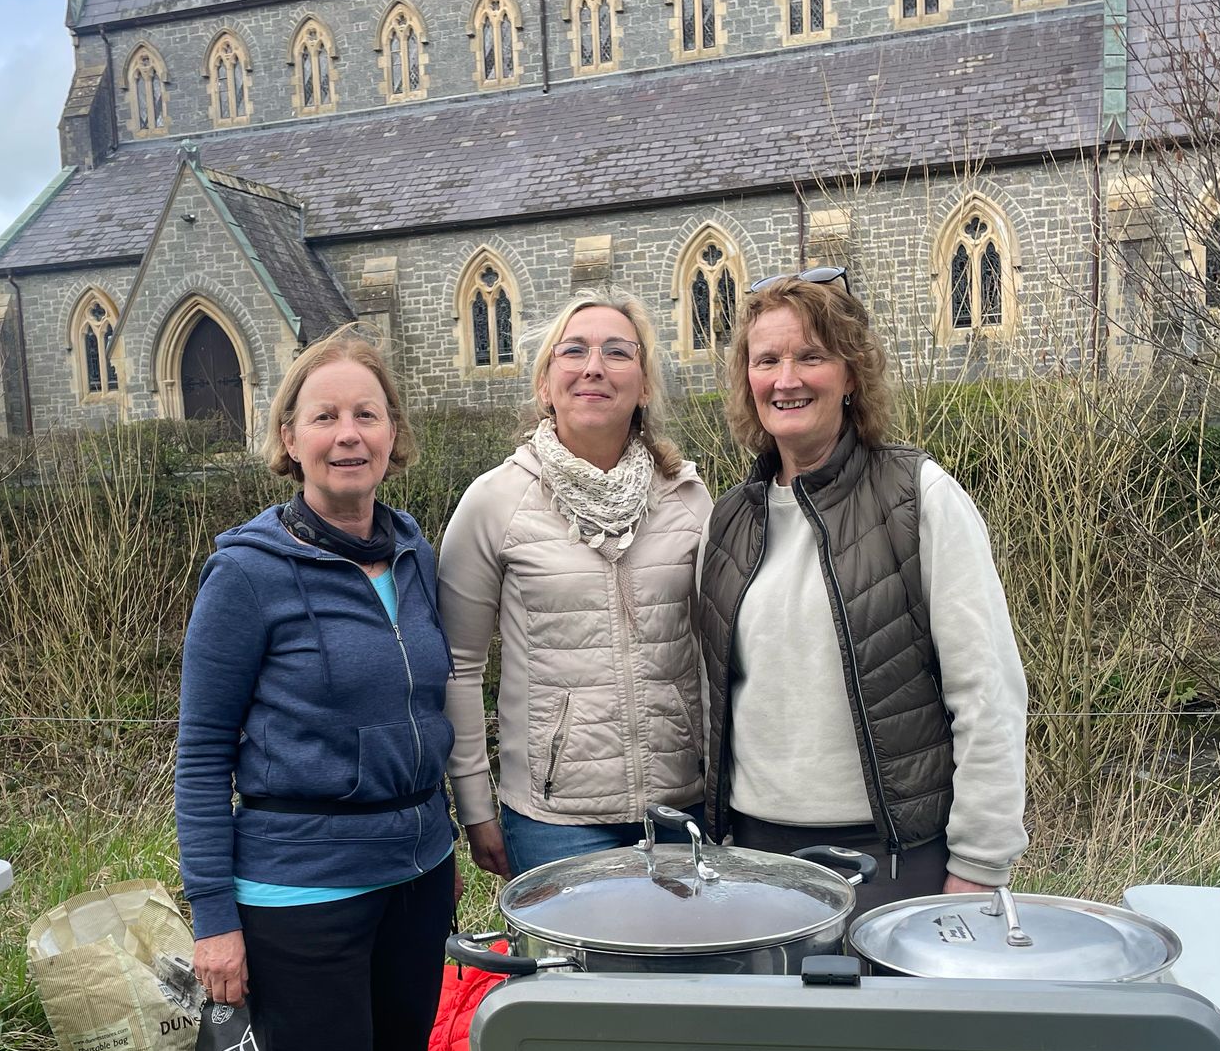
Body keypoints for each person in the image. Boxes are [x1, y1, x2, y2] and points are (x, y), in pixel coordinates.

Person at [174, 325, 456, 1051]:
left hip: (416, 877)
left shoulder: (413, 554)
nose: (347, 435)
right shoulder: (246, 573)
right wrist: (213, 917)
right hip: (304, 891)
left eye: (366, 414)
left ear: (393, 434)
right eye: (324, 416)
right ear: (289, 438)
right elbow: (199, 759)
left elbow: (430, 706)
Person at [697, 272, 1027, 901]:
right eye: (767, 360)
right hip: (753, 859)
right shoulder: (727, 521)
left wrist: (981, 863)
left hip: (892, 860)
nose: (786, 379)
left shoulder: (919, 497)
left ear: (851, 375)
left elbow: (987, 691)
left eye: (811, 356)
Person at [438, 292, 711, 878]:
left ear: (643, 386)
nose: (594, 366)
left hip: (682, 810)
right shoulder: (495, 503)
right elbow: (457, 665)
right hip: (555, 821)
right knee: (574, 974)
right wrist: (476, 806)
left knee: (689, 970)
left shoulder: (687, 500)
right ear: (545, 384)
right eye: (574, 350)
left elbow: (715, 657)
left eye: (618, 352)